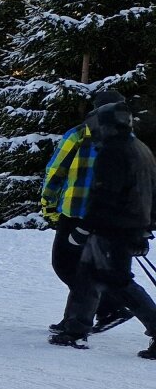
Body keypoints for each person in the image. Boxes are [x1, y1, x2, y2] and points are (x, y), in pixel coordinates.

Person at [48, 95, 156, 357]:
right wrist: (144, 229)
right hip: (125, 225)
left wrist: (86, 227)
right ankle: (75, 331)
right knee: (90, 277)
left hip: (112, 226)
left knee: (117, 282)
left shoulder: (114, 152)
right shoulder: (139, 147)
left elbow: (105, 195)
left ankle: (78, 330)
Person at [41, 88, 130, 331]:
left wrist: (48, 205)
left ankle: (109, 309)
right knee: (83, 267)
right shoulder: (127, 139)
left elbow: (55, 171)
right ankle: (74, 320)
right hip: (107, 217)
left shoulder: (79, 135)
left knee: (65, 265)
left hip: (75, 212)